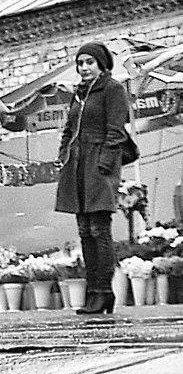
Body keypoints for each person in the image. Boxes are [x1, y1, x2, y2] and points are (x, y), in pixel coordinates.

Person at [56, 41, 136, 316]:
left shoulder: (112, 89)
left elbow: (116, 131)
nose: (84, 68)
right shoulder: (79, 94)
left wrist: (104, 164)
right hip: (77, 167)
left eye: (89, 62)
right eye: (80, 63)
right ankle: (92, 293)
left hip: (100, 167)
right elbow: (69, 129)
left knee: (99, 229)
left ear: (101, 64)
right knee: (84, 231)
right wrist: (63, 155)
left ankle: (104, 292)